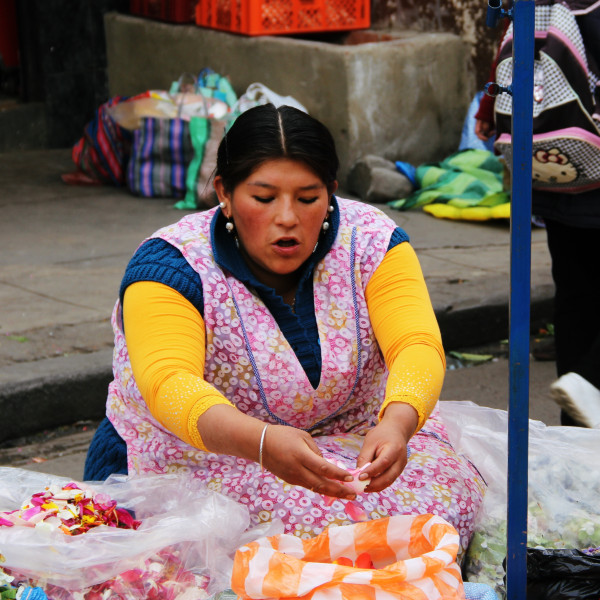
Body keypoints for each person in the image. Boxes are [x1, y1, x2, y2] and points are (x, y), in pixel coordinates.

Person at [85, 104, 485, 557]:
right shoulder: (170, 266)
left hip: (350, 448)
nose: (288, 217)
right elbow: (168, 383)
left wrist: (397, 423)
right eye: (264, 197)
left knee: (438, 509)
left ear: (331, 193)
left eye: (308, 197)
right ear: (224, 193)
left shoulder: (373, 241)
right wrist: (259, 442)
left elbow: (416, 343)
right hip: (197, 463)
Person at [475, 0, 600, 428]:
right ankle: (590, 382)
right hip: (589, 158)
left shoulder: (544, 3)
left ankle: (577, 424)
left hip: (559, 161)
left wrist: (487, 111)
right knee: (579, 291)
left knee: (577, 292)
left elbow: (514, 47)